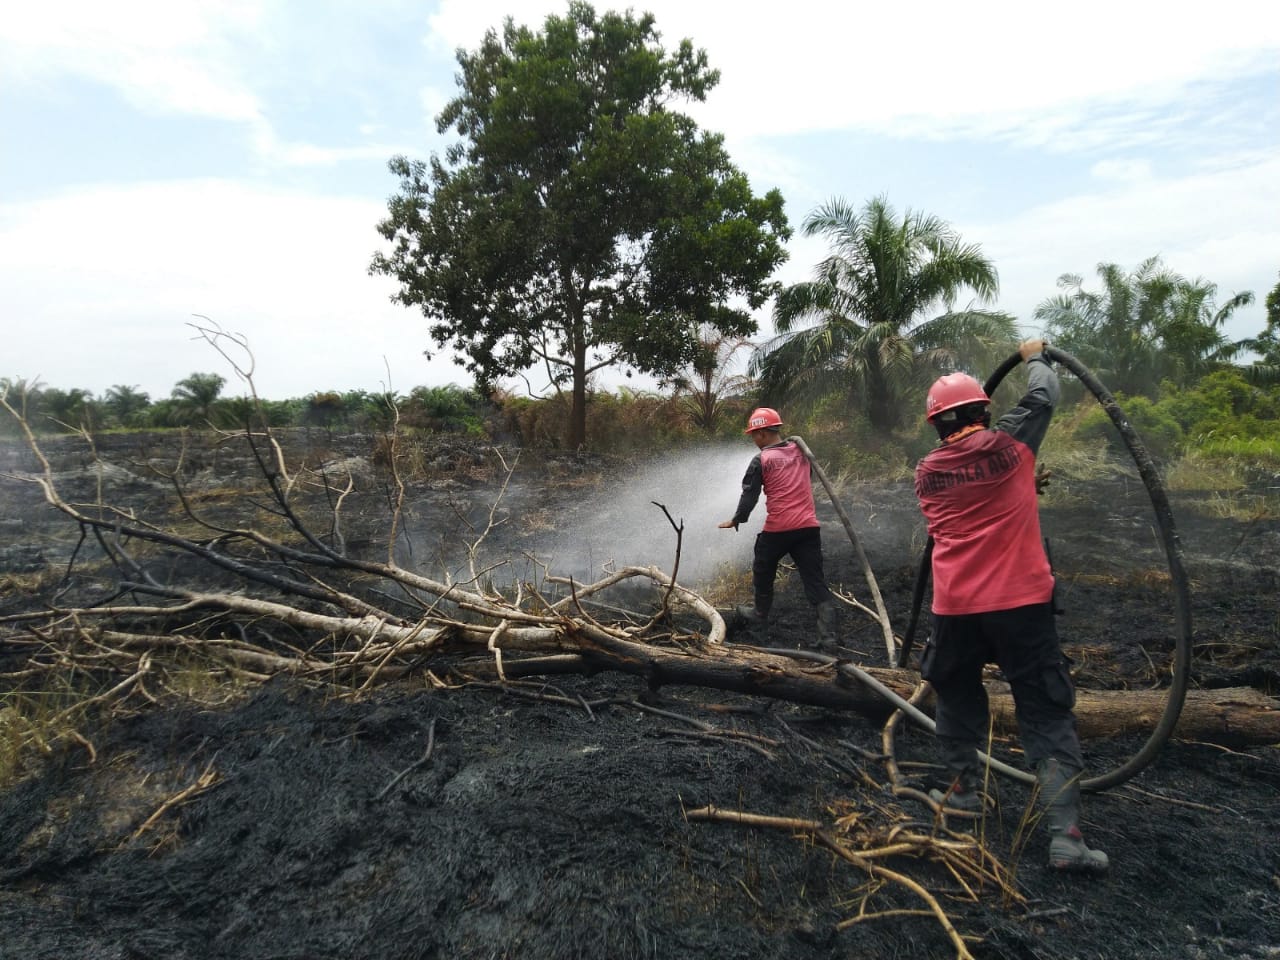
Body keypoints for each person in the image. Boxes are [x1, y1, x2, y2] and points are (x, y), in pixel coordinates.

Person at [914, 339, 1108, 874]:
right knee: (1045, 709)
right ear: (984, 410)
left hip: (954, 607)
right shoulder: (1010, 447)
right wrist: (1035, 357)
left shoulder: (926, 471)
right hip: (1020, 604)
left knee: (955, 694)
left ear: (936, 424)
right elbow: (1043, 398)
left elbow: (976, 494)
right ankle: (1064, 837)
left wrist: (1025, 482)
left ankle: (962, 793)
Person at [718, 407, 838, 646]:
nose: (753, 440)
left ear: (762, 433)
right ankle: (829, 637)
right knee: (815, 580)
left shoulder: (761, 459)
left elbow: (749, 496)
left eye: (754, 435)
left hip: (779, 528)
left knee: (762, 567)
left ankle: (760, 613)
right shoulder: (802, 452)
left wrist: (737, 519)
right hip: (808, 528)